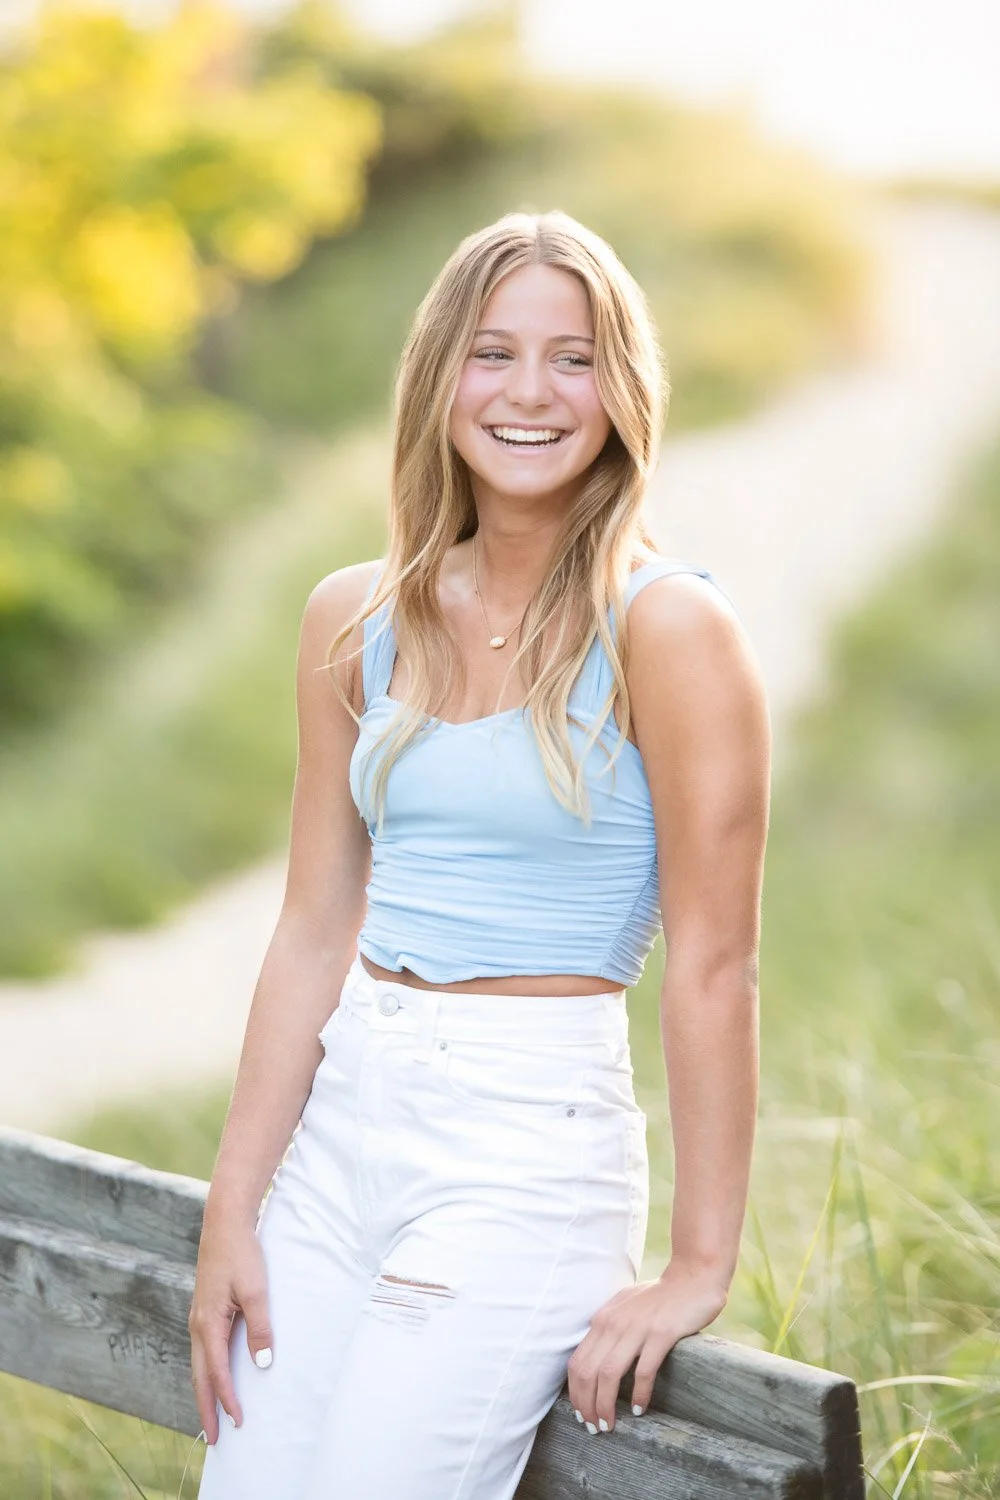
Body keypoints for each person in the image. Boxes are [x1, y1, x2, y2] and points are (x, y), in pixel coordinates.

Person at [189, 208, 770, 1500]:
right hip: (338, 1132)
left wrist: (697, 1265)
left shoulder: (670, 631)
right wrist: (235, 1200)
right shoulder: (355, 617)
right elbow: (313, 926)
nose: (529, 392)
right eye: (494, 353)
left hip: (523, 1154)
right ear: (439, 374)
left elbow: (715, 967)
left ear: (624, 391)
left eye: (574, 358)